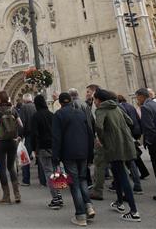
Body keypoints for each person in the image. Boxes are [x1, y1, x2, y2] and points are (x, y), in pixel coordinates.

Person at [93, 89, 141, 222]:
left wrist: (102, 139)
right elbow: (130, 121)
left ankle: (134, 211)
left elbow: (99, 126)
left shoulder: (101, 110)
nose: (94, 102)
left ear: (99, 100)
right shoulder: (117, 107)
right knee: (117, 173)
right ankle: (119, 202)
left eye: (95, 100)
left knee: (123, 176)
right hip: (125, 143)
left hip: (113, 146)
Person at [52, 92, 95, 226]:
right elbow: (90, 134)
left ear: (60, 103)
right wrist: (90, 154)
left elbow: (56, 137)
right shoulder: (80, 113)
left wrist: (56, 157)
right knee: (82, 180)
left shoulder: (59, 115)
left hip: (68, 153)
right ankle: (88, 205)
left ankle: (81, 215)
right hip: (83, 152)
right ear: (71, 101)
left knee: (74, 183)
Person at [0, 90, 24, 204]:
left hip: (0, 142)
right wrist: (18, 137)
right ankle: (17, 194)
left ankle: (6, 196)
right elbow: (21, 124)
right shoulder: (13, 110)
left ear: (0, 99)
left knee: (2, 168)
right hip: (12, 142)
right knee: (11, 167)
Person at [31, 94, 63, 210]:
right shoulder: (52, 115)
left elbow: (35, 134)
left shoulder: (36, 116)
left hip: (43, 147)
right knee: (56, 170)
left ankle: (55, 198)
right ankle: (59, 195)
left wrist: (35, 149)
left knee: (48, 172)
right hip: (54, 146)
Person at [17, 93, 38, 186]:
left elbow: (22, 123)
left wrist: (20, 136)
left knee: (25, 157)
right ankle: (43, 180)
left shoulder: (24, 108)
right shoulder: (35, 107)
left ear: (24, 100)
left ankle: (26, 180)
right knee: (39, 157)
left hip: (28, 136)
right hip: (37, 135)